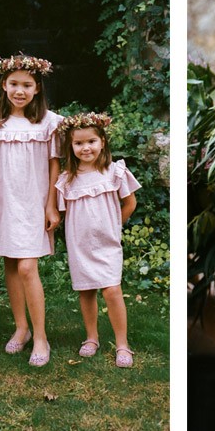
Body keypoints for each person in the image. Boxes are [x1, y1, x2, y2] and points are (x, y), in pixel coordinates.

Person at [0, 54, 61, 366]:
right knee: (11, 266)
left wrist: (52, 204)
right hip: (5, 200)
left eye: (27, 85)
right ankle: (21, 328)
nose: (20, 90)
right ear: (4, 84)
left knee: (27, 267)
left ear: (37, 88)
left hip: (34, 201)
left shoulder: (50, 123)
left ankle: (41, 336)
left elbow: (55, 166)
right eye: (14, 84)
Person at [54, 112, 140, 368]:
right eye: (78, 143)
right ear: (71, 146)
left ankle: (122, 344)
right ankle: (91, 338)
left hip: (107, 243)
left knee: (112, 289)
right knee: (87, 290)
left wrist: (114, 226)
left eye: (91, 141)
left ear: (102, 141)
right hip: (80, 244)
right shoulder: (67, 179)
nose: (85, 147)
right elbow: (64, 213)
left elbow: (130, 203)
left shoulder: (114, 172)